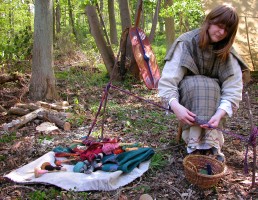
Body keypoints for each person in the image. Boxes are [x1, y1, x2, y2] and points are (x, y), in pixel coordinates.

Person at [158, 4, 250, 162]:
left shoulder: (229, 54)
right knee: (199, 84)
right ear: (209, 21)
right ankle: (195, 144)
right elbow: (169, 80)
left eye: (227, 30)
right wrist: (175, 106)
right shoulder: (186, 42)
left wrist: (219, 113)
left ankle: (210, 145)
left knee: (211, 86)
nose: (221, 33)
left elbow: (233, 87)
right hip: (187, 96)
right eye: (219, 26)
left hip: (215, 102)